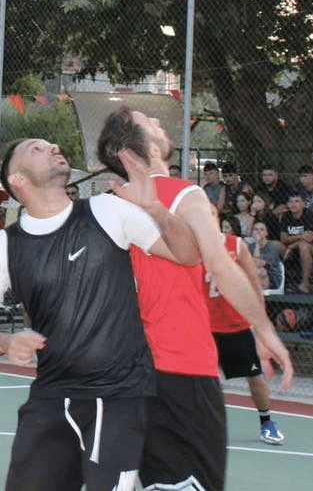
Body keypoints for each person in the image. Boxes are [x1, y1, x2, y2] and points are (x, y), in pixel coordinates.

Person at [0, 137, 200, 491]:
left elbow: (188, 254)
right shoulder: (4, 246)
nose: (53, 147)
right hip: (52, 394)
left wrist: (156, 209)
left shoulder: (107, 210)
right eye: (36, 148)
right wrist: (5, 341)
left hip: (119, 394)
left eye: (51, 144)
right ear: (17, 180)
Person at [96, 108, 294, 491]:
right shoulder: (185, 194)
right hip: (179, 369)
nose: (159, 123)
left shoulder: (109, 207)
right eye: (150, 121)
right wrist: (264, 328)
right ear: (145, 149)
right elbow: (220, 264)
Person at [208, 207, 285, 445]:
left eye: (211, 215)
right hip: (205, 326)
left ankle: (267, 423)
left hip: (236, 324)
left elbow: (253, 284)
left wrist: (260, 322)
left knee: (254, 376)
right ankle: (204, 426)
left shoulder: (236, 245)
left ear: (218, 219)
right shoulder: (192, 246)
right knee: (202, 380)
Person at [274, 192, 313, 293]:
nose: (293, 204)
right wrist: (300, 236)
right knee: (275, 245)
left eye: (297, 201)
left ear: (303, 203)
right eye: (290, 201)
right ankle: (275, 282)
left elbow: (309, 238)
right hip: (292, 250)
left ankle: (305, 284)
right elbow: (283, 238)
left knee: (304, 246)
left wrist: (291, 246)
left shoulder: (309, 215)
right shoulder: (286, 216)